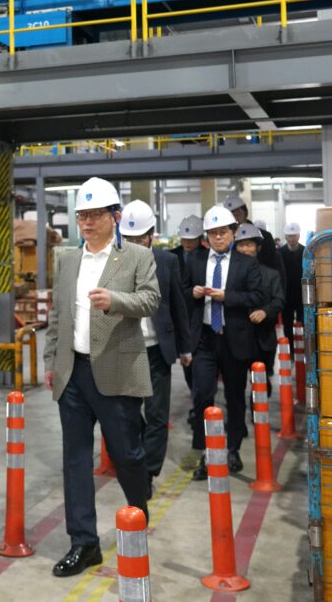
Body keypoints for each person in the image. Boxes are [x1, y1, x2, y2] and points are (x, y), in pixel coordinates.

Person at [43, 177, 160, 578]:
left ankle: (137, 517)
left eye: (95, 215)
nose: (87, 223)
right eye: (81, 215)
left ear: (115, 216)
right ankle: (84, 542)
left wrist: (115, 302)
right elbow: (57, 315)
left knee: (127, 453)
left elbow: (150, 299)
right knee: (75, 460)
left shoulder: (137, 258)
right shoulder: (68, 260)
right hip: (72, 372)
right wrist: (50, 361)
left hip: (115, 369)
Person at [183, 205, 264, 480]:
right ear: (206, 236)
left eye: (223, 232)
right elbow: (180, 292)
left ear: (233, 232)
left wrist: (225, 297)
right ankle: (207, 453)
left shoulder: (247, 264)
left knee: (234, 396)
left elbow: (255, 297)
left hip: (234, 339)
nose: (218, 238)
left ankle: (232, 448)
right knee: (203, 394)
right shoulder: (195, 260)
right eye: (213, 233)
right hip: (205, 338)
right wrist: (192, 292)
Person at [119, 200, 192, 500]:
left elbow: (178, 306)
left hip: (157, 350)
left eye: (140, 238)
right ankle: (137, 461)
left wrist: (185, 347)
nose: (135, 243)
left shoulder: (167, 262)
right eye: (129, 239)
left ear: (150, 235)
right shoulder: (112, 262)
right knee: (127, 413)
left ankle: (148, 472)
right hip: (126, 349)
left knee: (158, 414)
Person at [234, 223, 285, 397]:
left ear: (258, 247)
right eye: (241, 245)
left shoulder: (271, 275)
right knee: (236, 384)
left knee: (260, 381)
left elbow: (279, 300)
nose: (244, 249)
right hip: (237, 338)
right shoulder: (230, 275)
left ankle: (259, 419)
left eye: (249, 244)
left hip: (263, 337)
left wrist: (265, 311)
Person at [169, 214, 207, 400]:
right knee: (185, 356)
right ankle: (193, 388)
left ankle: (199, 391)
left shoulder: (207, 257)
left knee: (197, 357)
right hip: (178, 313)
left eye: (191, 240)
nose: (186, 243)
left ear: (200, 239)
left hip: (199, 313)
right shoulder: (172, 255)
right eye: (184, 239)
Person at [222, 194, 286, 296]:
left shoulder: (264, 236)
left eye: (238, 211)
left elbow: (274, 267)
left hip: (262, 290)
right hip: (234, 293)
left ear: (245, 211)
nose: (235, 216)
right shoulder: (224, 239)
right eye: (231, 213)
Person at [279, 222, 305, 346]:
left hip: (301, 294)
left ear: (299, 236)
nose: (292, 238)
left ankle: (301, 346)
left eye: (294, 236)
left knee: (302, 321)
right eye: (289, 236)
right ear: (285, 237)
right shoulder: (280, 253)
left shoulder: (306, 251)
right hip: (286, 294)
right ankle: (290, 348)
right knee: (287, 322)